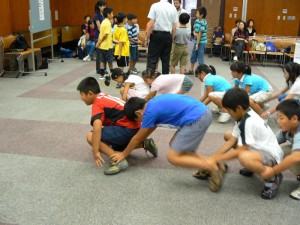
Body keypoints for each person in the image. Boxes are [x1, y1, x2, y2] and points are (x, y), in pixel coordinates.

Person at [110, 94, 225, 192]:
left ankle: (211, 167)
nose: (140, 123)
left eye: (137, 120)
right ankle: (214, 164)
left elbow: (137, 138)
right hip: (201, 112)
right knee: (176, 145)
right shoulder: (152, 104)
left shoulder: (149, 113)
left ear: (138, 113)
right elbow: (144, 134)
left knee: (173, 157)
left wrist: (123, 154)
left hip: (197, 118)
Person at [205, 88, 284, 199]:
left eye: (229, 110)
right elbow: (232, 140)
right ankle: (253, 166)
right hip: (259, 149)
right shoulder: (243, 115)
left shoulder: (249, 122)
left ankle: (273, 178)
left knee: (244, 157)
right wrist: (214, 158)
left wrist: (217, 159)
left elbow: (241, 150)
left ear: (239, 108)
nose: (228, 112)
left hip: (272, 156)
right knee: (228, 135)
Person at [77, 77, 158, 175]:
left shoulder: (97, 103)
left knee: (91, 136)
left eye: (81, 94)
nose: (81, 98)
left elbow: (97, 129)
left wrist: (96, 152)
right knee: (109, 145)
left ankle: (119, 162)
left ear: (90, 93)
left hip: (128, 129)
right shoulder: (103, 96)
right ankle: (145, 144)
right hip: (136, 128)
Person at [260, 99, 300, 200]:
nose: (278, 121)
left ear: (294, 118)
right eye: (277, 117)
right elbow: (271, 142)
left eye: (281, 118)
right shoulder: (286, 130)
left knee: (293, 156)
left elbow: (295, 157)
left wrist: (273, 171)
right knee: (284, 151)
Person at [146, 0, 178, 74]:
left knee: (152, 59)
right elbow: (174, 27)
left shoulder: (155, 6)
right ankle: (165, 81)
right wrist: (172, 38)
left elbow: (151, 24)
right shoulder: (173, 8)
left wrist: (146, 39)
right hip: (168, 36)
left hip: (156, 35)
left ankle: (150, 79)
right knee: (166, 60)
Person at [185, 7, 208, 75]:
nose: (196, 14)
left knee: (200, 58)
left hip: (201, 42)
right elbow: (195, 31)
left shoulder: (204, 22)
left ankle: (202, 73)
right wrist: (195, 34)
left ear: (202, 15)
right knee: (193, 56)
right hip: (196, 41)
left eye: (197, 13)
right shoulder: (196, 21)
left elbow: (199, 34)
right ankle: (191, 70)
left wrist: (197, 44)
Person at [96, 7, 114, 80]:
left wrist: (99, 43)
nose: (113, 14)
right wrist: (99, 42)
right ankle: (112, 73)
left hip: (102, 46)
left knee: (102, 61)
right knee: (110, 61)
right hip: (107, 46)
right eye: (112, 13)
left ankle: (102, 74)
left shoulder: (103, 21)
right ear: (108, 14)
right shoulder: (107, 23)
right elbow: (105, 35)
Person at [94, 1, 107, 74]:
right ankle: (99, 70)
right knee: (99, 54)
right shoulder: (97, 15)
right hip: (99, 36)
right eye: (103, 6)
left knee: (104, 54)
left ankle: (103, 68)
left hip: (105, 36)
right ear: (99, 6)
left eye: (105, 6)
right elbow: (99, 26)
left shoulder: (105, 15)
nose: (104, 7)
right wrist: (102, 34)